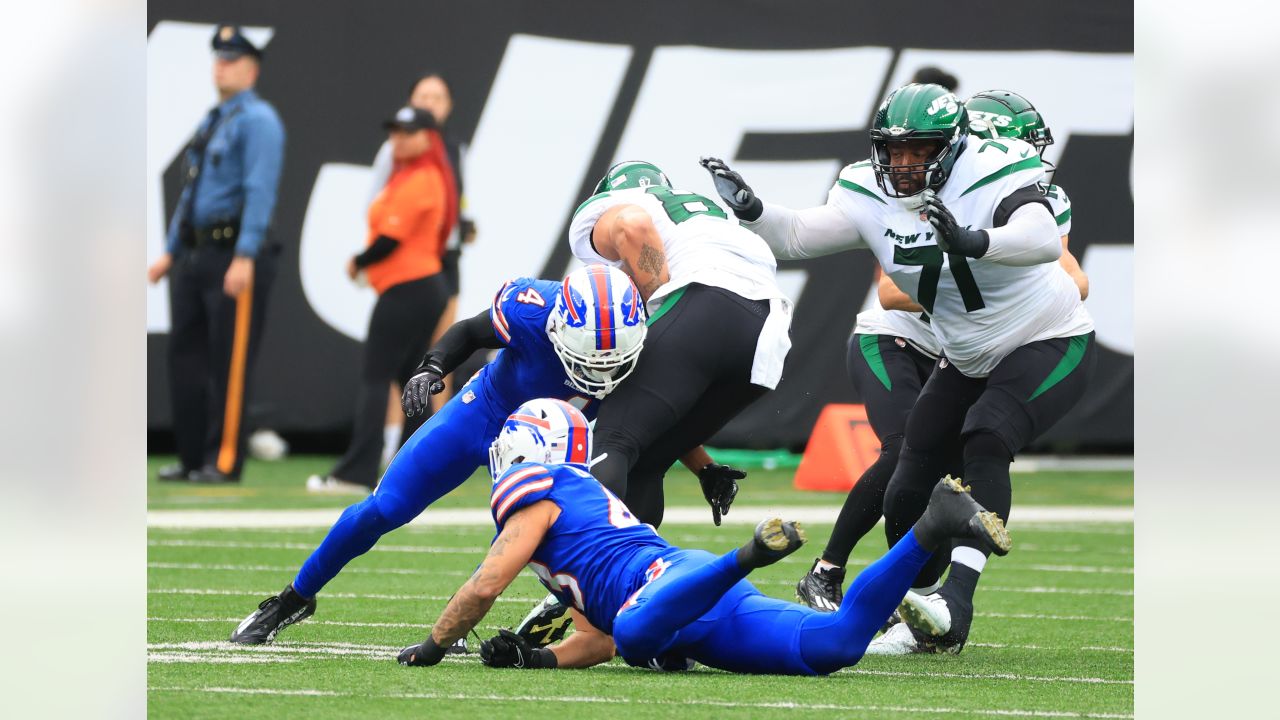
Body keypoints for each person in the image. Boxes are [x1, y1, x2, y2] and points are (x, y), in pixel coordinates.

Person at [701, 82, 1096, 653]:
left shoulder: (997, 165)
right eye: (894, 149)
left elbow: (1038, 241)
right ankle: (922, 613)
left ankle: (956, 599)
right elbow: (796, 236)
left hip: (1047, 336)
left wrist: (974, 239)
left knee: (986, 436)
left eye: (920, 150)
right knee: (909, 475)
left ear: (955, 145)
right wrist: (754, 212)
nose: (904, 163)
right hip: (965, 354)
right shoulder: (868, 187)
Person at [393, 398, 1011, 674]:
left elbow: (486, 586)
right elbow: (595, 640)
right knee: (838, 644)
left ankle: (746, 555)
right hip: (687, 606)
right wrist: (534, 658)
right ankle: (934, 523)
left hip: (674, 586)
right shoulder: (580, 501)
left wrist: (434, 644)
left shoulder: (537, 492)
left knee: (639, 636)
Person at [228, 265, 651, 644]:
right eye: (589, 356)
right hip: (485, 413)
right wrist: (432, 366)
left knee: (544, 532)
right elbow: (469, 331)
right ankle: (293, 598)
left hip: (550, 445)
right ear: (560, 327)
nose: (600, 371)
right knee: (383, 507)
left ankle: (529, 614)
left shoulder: (650, 345)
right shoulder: (533, 309)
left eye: (615, 361)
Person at [794, 88, 1090, 617]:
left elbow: (1072, 277)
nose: (1026, 161)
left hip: (966, 351)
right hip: (897, 337)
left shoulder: (1029, 198)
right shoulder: (910, 195)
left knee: (968, 452)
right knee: (908, 451)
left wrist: (992, 250)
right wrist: (963, 265)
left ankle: (932, 594)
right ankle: (829, 568)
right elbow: (890, 291)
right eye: (1018, 146)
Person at [567, 161, 793, 528]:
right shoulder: (708, 216)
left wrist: (655, 292)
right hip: (767, 332)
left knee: (614, 439)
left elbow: (632, 225)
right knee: (649, 455)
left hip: (703, 301)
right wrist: (703, 467)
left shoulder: (620, 206)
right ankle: (636, 577)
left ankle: (586, 569)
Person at [147, 24, 285, 484]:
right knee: (185, 358)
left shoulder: (259, 121)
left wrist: (245, 255)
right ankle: (191, 458)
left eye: (230, 60)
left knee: (228, 361)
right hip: (196, 255)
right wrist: (170, 252)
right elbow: (191, 194)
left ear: (252, 69)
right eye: (218, 59)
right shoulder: (214, 119)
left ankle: (223, 461)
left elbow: (259, 191)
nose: (220, 67)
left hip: (233, 257)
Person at [305, 106, 456, 494]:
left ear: (427, 136)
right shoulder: (410, 174)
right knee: (408, 377)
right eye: (395, 131)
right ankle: (422, 465)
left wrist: (357, 261)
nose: (399, 138)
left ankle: (356, 472)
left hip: (410, 286)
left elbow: (390, 240)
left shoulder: (423, 177)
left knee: (376, 376)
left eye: (408, 131)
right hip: (418, 287)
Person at [368, 73, 478, 467]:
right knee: (398, 359)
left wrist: (464, 223)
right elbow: (377, 199)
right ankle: (387, 443)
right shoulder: (398, 148)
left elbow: (458, 198)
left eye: (438, 96)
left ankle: (436, 440)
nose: (431, 102)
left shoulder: (452, 148)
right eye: (423, 96)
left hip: (444, 260)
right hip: (411, 262)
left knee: (439, 354)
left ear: (448, 105)